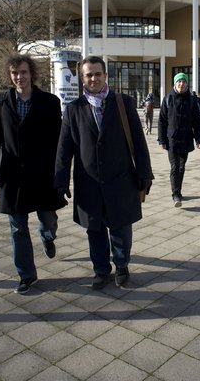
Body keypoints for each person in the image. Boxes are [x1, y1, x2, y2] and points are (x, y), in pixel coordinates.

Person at [55, 56, 153, 290]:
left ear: (106, 75)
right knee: (95, 229)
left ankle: (121, 266)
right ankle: (101, 269)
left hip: (120, 178)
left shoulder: (123, 103)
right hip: (88, 182)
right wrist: (60, 180)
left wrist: (144, 172)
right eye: (89, 75)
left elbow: (138, 141)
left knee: (120, 227)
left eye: (98, 74)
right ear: (82, 78)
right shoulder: (74, 109)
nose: (94, 78)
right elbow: (64, 147)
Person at [0, 54, 64, 295]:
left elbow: (58, 140)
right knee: (17, 227)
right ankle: (26, 275)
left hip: (43, 174)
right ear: (9, 76)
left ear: (31, 73)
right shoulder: (0, 102)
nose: (19, 77)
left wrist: (61, 170)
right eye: (14, 73)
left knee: (48, 217)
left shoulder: (50, 102)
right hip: (13, 176)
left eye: (23, 72)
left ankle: (47, 235)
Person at [158, 73, 200, 207]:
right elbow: (161, 121)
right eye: (179, 82)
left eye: (184, 82)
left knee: (182, 167)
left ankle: (178, 190)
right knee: (175, 166)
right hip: (172, 139)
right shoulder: (168, 98)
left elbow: (197, 121)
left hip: (186, 139)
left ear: (187, 84)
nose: (181, 84)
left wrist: (199, 138)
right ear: (175, 83)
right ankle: (176, 195)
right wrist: (162, 139)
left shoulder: (191, 100)